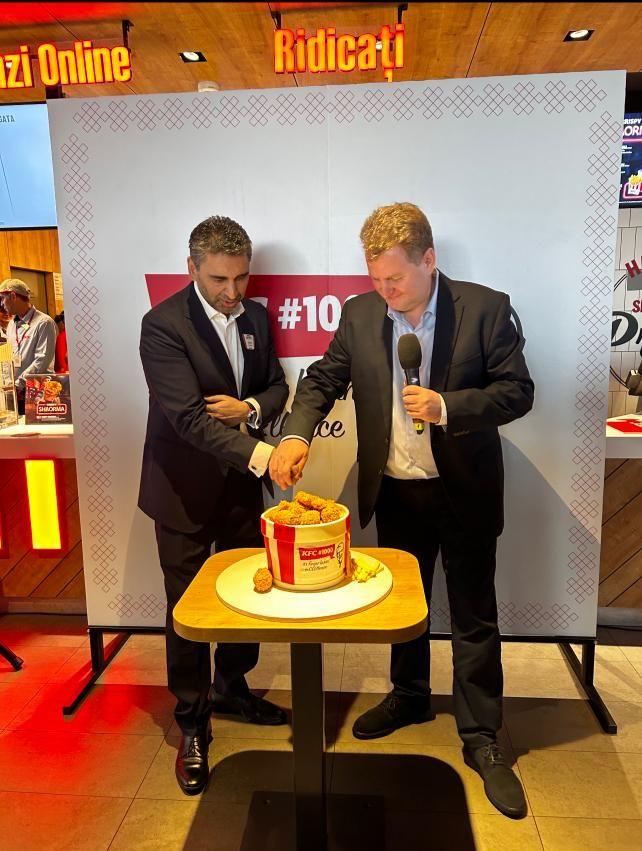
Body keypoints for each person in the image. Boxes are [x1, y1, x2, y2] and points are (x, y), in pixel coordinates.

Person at [270, 202, 535, 819]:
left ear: (429, 260)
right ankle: (409, 695)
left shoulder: (487, 308)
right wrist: (295, 434)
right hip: (393, 488)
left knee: (473, 615)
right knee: (402, 610)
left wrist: (447, 407)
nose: (384, 292)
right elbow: (322, 381)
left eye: (395, 280)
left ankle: (482, 737)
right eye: (375, 280)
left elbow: (517, 391)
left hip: (462, 486)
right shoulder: (362, 315)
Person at [139, 215, 289, 795]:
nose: (233, 292)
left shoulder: (255, 316)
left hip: (237, 494)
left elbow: (276, 384)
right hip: (180, 489)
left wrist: (249, 408)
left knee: (244, 597)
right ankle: (192, 723)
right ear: (192, 268)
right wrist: (261, 453)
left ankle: (233, 687)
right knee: (188, 611)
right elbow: (186, 418)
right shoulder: (162, 325)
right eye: (220, 279)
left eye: (241, 278)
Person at [0, 279, 57, 415]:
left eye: (2, 299)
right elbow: (9, 355)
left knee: (40, 435)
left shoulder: (44, 323)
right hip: (16, 393)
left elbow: (42, 360)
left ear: (13, 296)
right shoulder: (12, 325)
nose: (1, 304)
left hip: (39, 392)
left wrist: (19, 384)